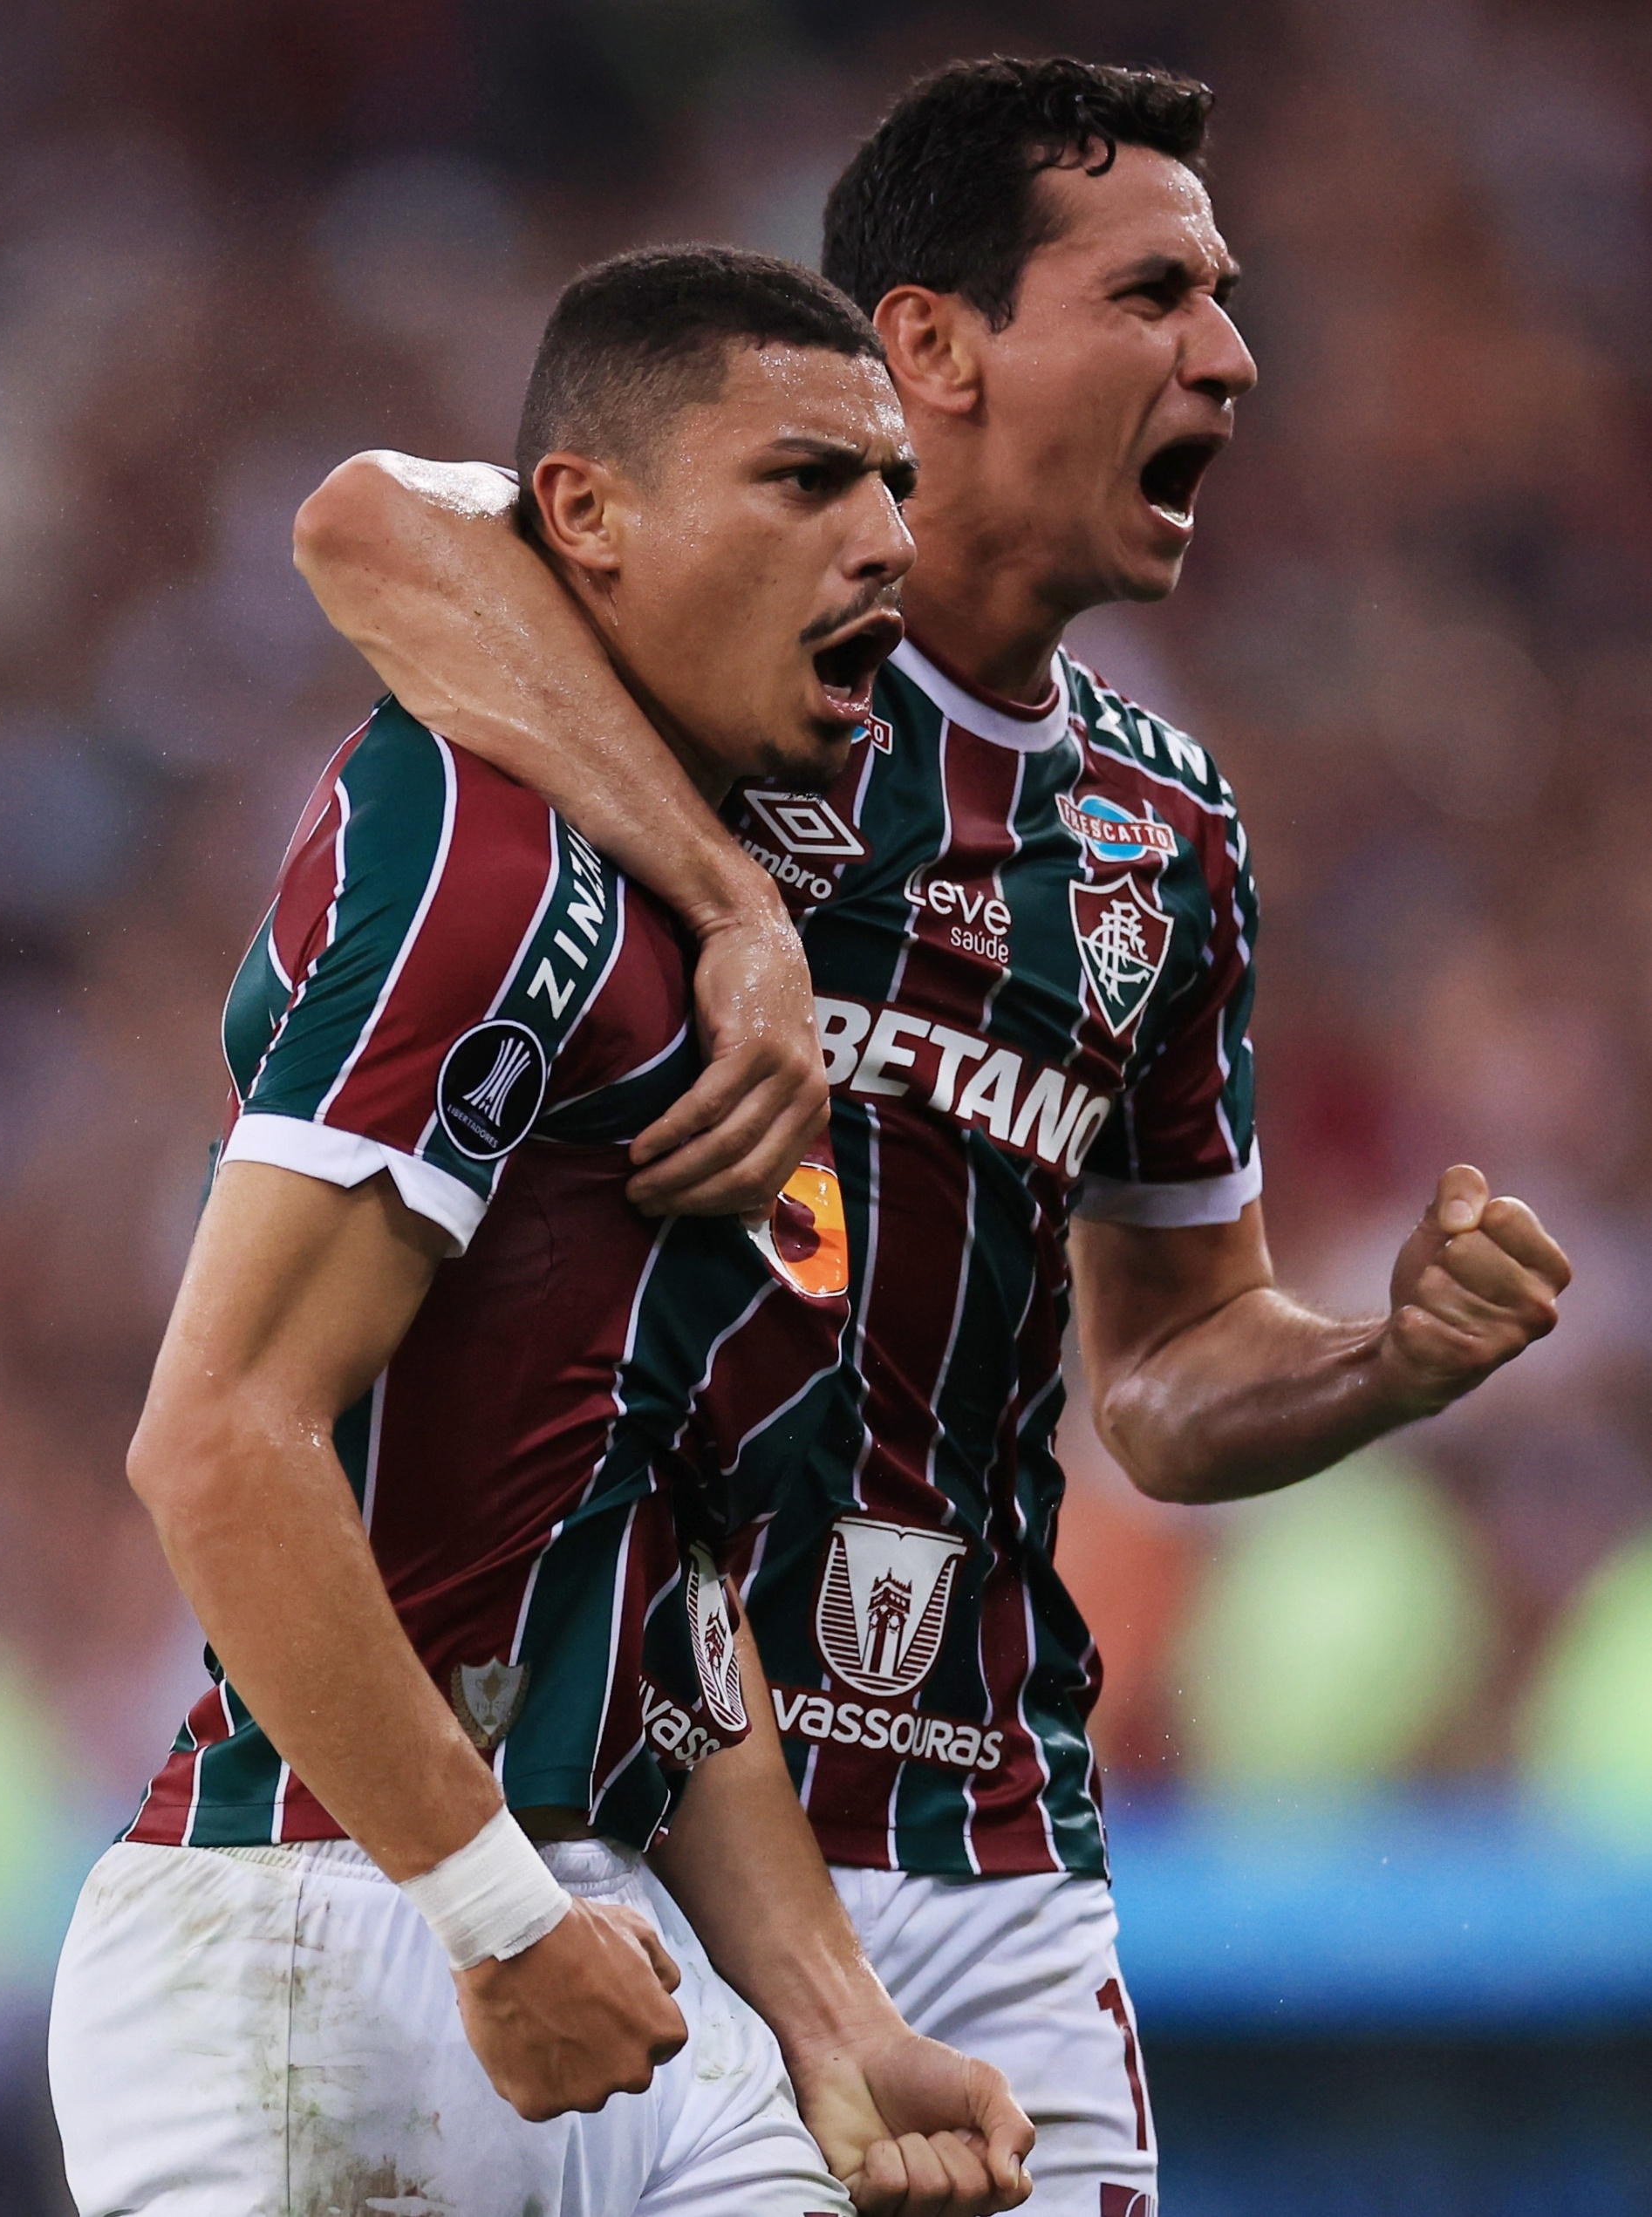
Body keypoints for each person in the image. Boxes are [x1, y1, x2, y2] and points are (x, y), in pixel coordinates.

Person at [291, 58, 1573, 2215]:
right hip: (615, 1804)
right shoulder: (678, 654)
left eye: (1227, 298)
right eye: (1155, 292)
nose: (1230, 358)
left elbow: (1164, 1374)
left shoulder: (1161, 828)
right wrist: (726, 905)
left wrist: (1381, 1359)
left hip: (980, 1835)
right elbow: (360, 522)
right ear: (927, 346)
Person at [47, 247, 1038, 2217]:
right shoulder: (484, 852)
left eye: (893, 490)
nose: (881, 543)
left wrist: (831, 2016)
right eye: (802, 482)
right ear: (578, 517)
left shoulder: (717, 942)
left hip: (622, 1947)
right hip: (320, 1925)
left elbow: (649, 1573)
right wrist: (492, 1912)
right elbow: (220, 1438)